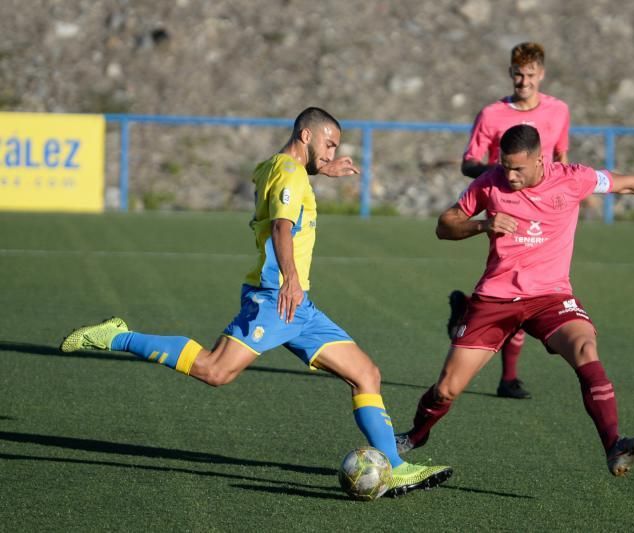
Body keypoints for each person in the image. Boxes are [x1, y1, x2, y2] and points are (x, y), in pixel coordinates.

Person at [60, 107, 452, 498]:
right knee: (215, 370)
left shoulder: (276, 167)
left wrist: (320, 171)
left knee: (366, 373)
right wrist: (291, 280)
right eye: (329, 144)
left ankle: (396, 468)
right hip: (276, 298)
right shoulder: (289, 173)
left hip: (300, 307)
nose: (333, 153)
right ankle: (117, 336)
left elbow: (283, 193)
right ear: (306, 136)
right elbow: (282, 226)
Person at [396, 124, 634, 476]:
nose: (510, 174)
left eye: (518, 168)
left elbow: (626, 181)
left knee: (585, 348)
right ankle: (415, 436)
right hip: (495, 299)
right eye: (506, 166)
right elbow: (445, 226)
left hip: (550, 297)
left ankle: (614, 445)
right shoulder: (489, 182)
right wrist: (483, 225)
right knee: (446, 390)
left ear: (541, 159)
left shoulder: (573, 178)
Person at [457, 41, 571, 400]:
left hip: (548, 211)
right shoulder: (492, 114)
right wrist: (503, 171)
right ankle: (507, 375)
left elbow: (562, 155)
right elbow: (468, 162)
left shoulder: (558, 111)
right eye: (518, 74)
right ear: (510, 73)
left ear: (542, 74)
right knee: (515, 285)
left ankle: (505, 372)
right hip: (506, 206)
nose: (524, 81)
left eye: (531, 75)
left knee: (532, 287)